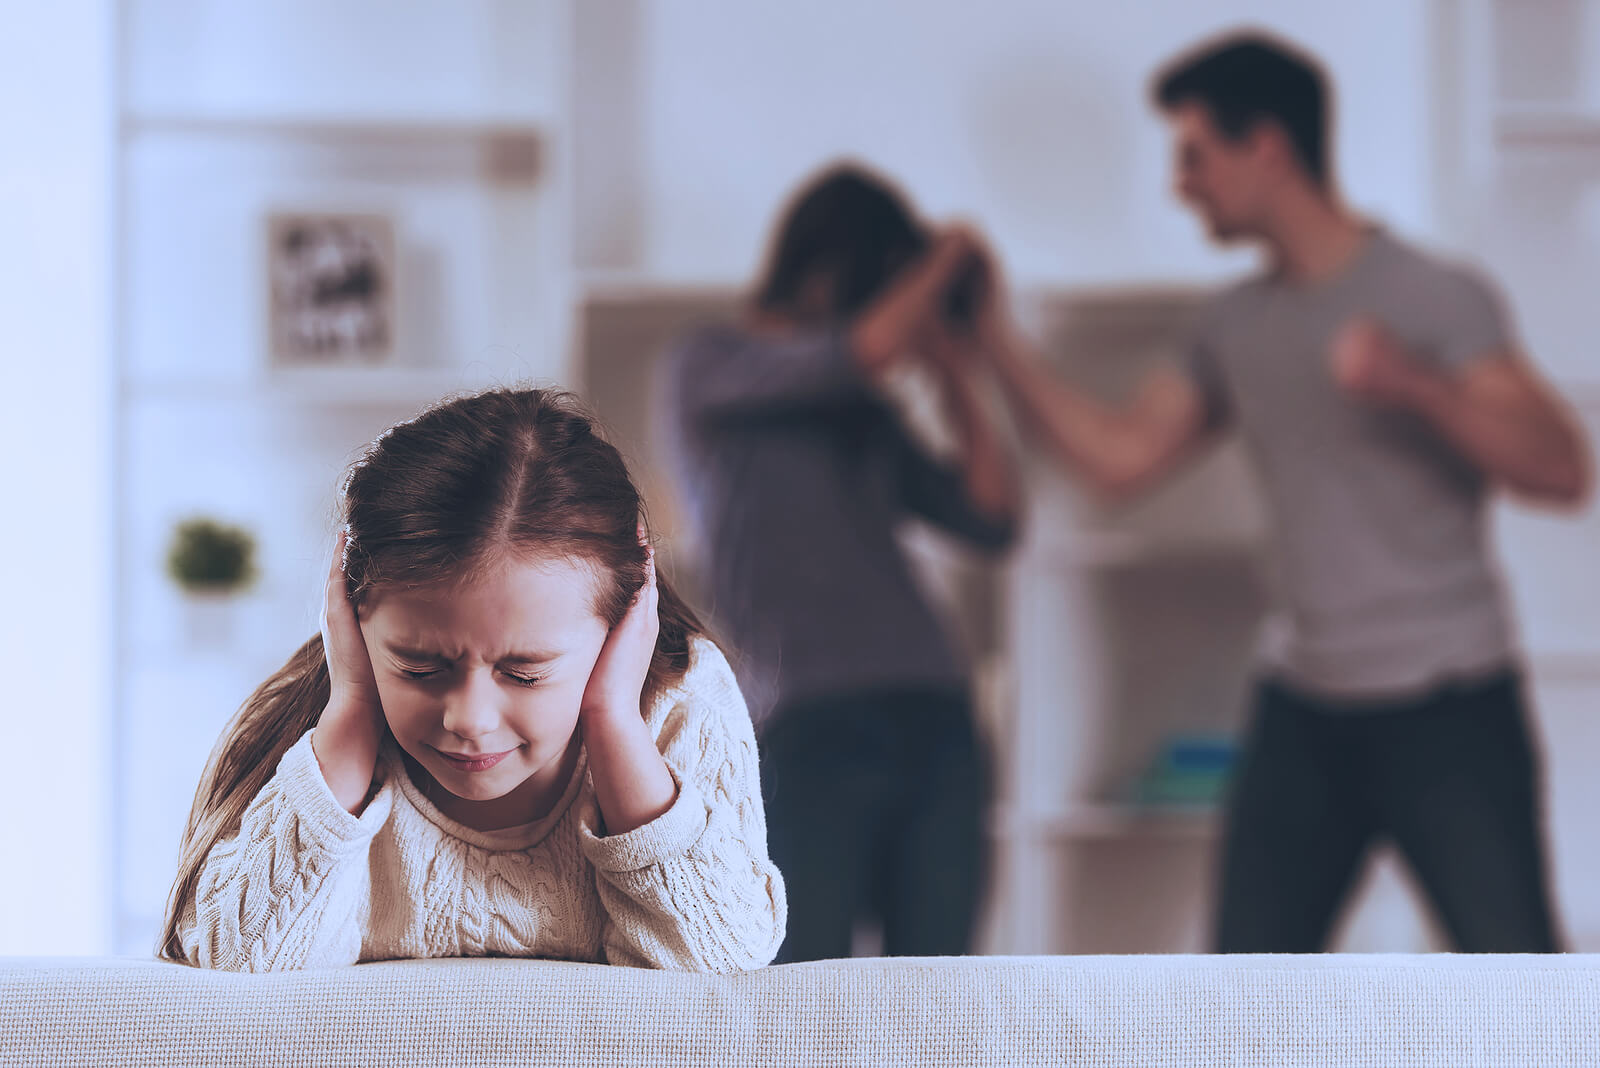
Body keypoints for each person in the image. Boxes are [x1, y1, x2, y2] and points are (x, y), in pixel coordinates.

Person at [977, 32, 1591, 953]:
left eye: (1195, 155)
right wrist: (991, 339)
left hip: (1450, 705)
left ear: (1266, 145)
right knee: (1245, 994)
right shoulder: (1235, 327)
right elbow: (1118, 458)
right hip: (1306, 707)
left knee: (1522, 990)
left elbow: (1561, 467)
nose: (1181, 184)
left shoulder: (1433, 295)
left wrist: (1418, 384)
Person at [159, 387, 786, 972]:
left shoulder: (681, 704)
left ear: (626, 622)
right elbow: (231, 961)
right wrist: (350, 708)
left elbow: (726, 956)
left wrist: (615, 723)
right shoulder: (307, 722)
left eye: (524, 672)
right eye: (420, 668)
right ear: (350, 617)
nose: (469, 718)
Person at [659, 163, 1021, 961]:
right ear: (824, 275)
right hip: (809, 725)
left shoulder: (861, 406)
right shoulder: (709, 364)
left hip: (936, 715)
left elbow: (994, 517)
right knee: (798, 992)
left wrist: (955, 363)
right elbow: (864, 347)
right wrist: (945, 260)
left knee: (937, 1002)